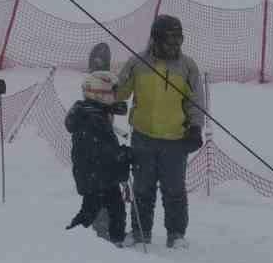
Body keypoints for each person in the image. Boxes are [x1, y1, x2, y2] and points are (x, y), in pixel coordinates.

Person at [115, 15, 207, 248]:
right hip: (143, 137)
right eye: (170, 41)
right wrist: (111, 90)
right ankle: (140, 233)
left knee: (174, 190)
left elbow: (195, 101)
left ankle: (176, 235)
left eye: (179, 40)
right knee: (143, 188)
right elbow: (120, 92)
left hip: (176, 139)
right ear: (155, 39)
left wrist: (196, 128)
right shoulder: (137, 64)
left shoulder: (187, 66)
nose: (175, 46)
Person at [65, 72, 133, 246]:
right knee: (91, 210)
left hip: (102, 174)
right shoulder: (90, 118)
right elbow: (101, 150)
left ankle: (117, 239)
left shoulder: (98, 112)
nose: (115, 96)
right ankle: (70, 237)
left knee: (115, 208)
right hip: (93, 174)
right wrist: (122, 155)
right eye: (112, 92)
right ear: (99, 93)